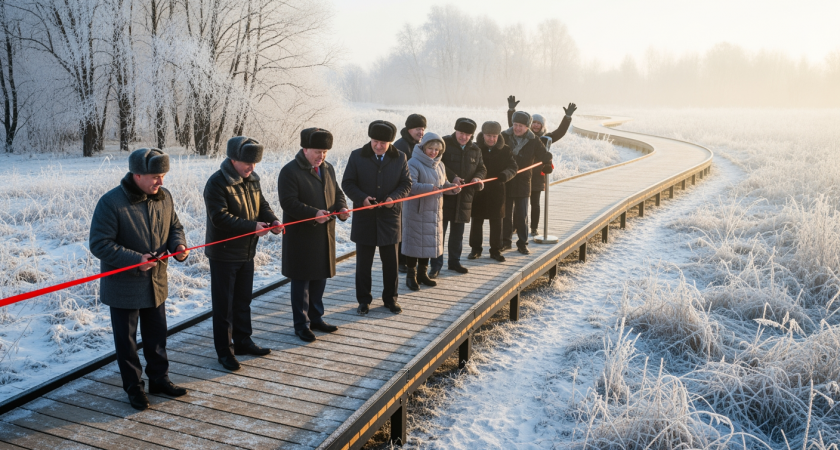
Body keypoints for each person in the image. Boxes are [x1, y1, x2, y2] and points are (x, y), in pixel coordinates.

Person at [89, 148, 190, 411]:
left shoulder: (164, 197)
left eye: (163, 175)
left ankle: (159, 380)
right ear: (137, 175)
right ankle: (134, 388)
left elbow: (175, 227)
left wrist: (178, 246)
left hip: (156, 283)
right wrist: (135, 260)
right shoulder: (111, 202)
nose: (161, 182)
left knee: (157, 337)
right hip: (124, 288)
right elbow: (99, 244)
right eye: (156, 176)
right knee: (128, 343)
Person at [203, 137, 282, 371]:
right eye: (248, 163)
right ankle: (224, 351)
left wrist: (273, 220)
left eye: (255, 163)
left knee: (243, 301)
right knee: (224, 306)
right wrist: (252, 227)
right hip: (224, 254)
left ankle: (243, 341)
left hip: (247, 252)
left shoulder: (252, 179)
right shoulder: (216, 183)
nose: (252, 167)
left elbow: (262, 205)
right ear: (233, 159)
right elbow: (219, 217)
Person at [278, 128, 349, 342]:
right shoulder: (290, 171)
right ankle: (301, 325)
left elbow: (337, 192)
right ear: (305, 149)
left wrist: (342, 208)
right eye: (318, 151)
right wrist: (313, 214)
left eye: (325, 152)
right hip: (301, 236)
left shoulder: (328, 168)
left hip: (324, 234)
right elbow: (288, 203)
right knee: (302, 282)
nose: (322, 156)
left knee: (320, 277)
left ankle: (316, 318)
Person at [341, 120, 412, 315]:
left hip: (390, 219)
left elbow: (406, 183)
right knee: (363, 265)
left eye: (383, 143)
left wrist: (394, 198)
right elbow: (347, 183)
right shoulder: (357, 156)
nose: (378, 146)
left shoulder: (400, 157)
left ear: (390, 142)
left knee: (391, 264)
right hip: (365, 218)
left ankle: (391, 299)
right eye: (375, 142)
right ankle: (363, 301)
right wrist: (361, 198)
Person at [507, 96, 576, 235]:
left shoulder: (546, 138)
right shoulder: (523, 135)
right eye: (534, 122)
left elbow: (560, 132)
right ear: (530, 124)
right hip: (522, 174)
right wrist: (511, 110)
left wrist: (567, 117)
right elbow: (514, 125)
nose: (536, 125)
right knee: (518, 203)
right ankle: (515, 226)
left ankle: (533, 228)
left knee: (535, 203)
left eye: (539, 123)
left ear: (543, 126)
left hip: (537, 175)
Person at [401, 132, 460, 290]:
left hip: (433, 211)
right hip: (416, 210)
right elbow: (410, 186)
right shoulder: (413, 163)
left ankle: (422, 273)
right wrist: (430, 188)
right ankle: (411, 276)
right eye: (430, 149)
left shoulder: (440, 165)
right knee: (414, 244)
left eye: (437, 150)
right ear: (423, 147)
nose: (434, 152)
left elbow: (443, 184)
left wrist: (452, 188)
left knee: (427, 243)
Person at [430, 118, 486, 277]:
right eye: (461, 133)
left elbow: (482, 168)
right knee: (439, 233)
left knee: (458, 234)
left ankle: (454, 262)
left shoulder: (475, 149)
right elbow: (437, 163)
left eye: (468, 134)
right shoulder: (444, 144)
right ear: (455, 130)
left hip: (464, 198)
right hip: (445, 196)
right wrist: (452, 177)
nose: (464, 137)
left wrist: (478, 178)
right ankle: (436, 266)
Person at [501, 110, 553, 254]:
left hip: (523, 182)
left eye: (521, 126)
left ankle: (522, 243)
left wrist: (547, 164)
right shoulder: (504, 136)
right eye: (515, 124)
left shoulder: (534, 140)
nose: (517, 128)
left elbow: (545, 155)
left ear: (527, 127)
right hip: (506, 180)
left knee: (522, 215)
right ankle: (505, 242)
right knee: (505, 214)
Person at [468, 121, 518, 262]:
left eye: (494, 136)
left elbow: (513, 167)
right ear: (483, 135)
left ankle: (495, 250)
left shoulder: (505, 150)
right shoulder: (475, 148)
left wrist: (505, 175)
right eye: (489, 135)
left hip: (497, 190)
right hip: (479, 190)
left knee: (497, 222)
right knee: (476, 221)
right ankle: (475, 249)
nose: (491, 139)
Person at [393, 113, 426, 274]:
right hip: (402, 193)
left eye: (423, 129)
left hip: (413, 192)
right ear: (409, 129)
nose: (421, 132)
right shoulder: (401, 146)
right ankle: (400, 261)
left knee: (410, 228)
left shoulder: (418, 145)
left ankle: (407, 259)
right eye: (417, 128)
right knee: (403, 228)